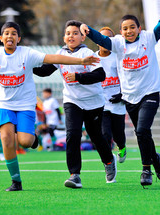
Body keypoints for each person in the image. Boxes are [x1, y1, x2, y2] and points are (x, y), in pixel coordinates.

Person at [0, 21, 100, 191]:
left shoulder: (27, 54)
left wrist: (80, 60)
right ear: (1, 38)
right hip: (4, 104)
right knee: (6, 139)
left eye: (13, 33)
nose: (10, 36)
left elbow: (53, 58)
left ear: (19, 38)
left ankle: (33, 139)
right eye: (7, 33)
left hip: (25, 104)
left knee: (25, 142)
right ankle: (16, 181)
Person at [80, 4, 160, 187]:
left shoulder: (148, 37)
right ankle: (155, 159)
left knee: (142, 130)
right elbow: (102, 40)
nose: (129, 31)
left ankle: (146, 169)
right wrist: (88, 30)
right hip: (130, 97)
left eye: (132, 27)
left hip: (150, 92)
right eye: (125, 28)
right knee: (143, 133)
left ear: (139, 28)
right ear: (121, 32)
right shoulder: (117, 43)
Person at [33, 20, 117, 189]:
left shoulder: (88, 53)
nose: (71, 35)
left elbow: (101, 75)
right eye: (68, 33)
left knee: (95, 136)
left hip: (93, 101)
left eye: (75, 33)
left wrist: (79, 78)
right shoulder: (59, 54)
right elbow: (44, 71)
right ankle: (74, 175)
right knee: (73, 135)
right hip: (72, 101)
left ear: (82, 37)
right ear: (64, 37)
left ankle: (109, 160)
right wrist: (26, 66)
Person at [96, 26, 127, 163]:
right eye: (102, 38)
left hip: (117, 103)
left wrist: (122, 94)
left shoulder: (118, 57)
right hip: (101, 104)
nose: (105, 41)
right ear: (97, 41)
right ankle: (109, 160)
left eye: (109, 39)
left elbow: (126, 78)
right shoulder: (92, 58)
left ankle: (122, 147)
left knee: (118, 134)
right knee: (105, 134)